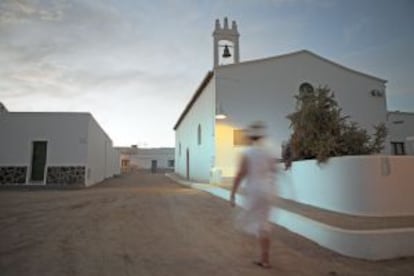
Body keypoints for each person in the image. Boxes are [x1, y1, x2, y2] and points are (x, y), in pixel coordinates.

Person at [230, 121, 277, 269]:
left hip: (254, 191)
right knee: (263, 224)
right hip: (267, 191)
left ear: (250, 137)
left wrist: (232, 193)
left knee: (247, 220)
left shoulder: (247, 153)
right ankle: (265, 259)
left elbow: (240, 174)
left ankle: (251, 253)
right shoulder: (268, 152)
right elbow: (274, 171)